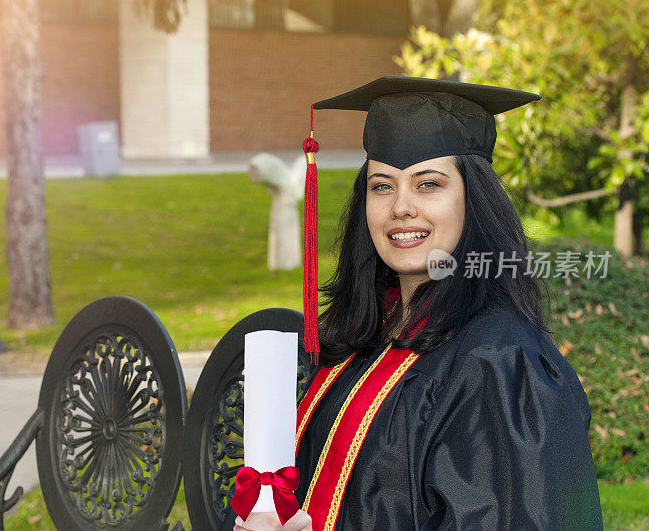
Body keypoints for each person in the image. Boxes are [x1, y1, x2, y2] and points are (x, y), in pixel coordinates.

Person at [224, 76, 603, 531]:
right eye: (382, 186)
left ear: (473, 200)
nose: (401, 207)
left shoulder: (501, 362)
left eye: (428, 184)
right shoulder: (363, 338)